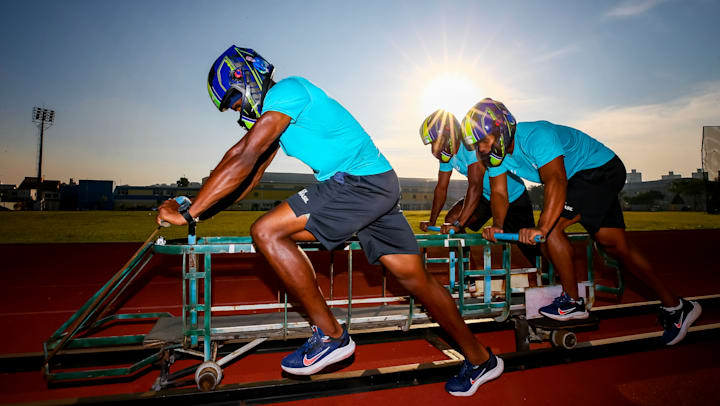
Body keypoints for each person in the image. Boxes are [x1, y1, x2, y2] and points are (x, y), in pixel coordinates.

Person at [156, 45, 503, 396]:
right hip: (376, 185)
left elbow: (243, 154)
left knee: (267, 231)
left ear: (245, 77)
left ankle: (332, 335)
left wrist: (189, 212)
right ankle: (481, 359)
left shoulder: (286, 91)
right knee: (417, 280)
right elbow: (251, 175)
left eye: (233, 99)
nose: (235, 108)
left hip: (357, 183)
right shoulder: (279, 117)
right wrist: (203, 207)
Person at [465, 98, 701, 345]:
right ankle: (677, 306)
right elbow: (500, 194)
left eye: (483, 140)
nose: (481, 149)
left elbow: (556, 180)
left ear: (501, 129)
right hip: (583, 179)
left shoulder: (536, 135)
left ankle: (572, 302)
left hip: (598, 170)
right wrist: (499, 227)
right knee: (615, 246)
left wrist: (544, 227)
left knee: (552, 231)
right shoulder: (496, 156)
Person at [418, 109, 540, 266]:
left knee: (528, 246)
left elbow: (474, 187)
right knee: (451, 220)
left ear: (450, 135)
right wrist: (432, 221)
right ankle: (469, 275)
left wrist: (459, 224)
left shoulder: (470, 148)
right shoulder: (446, 156)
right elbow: (441, 188)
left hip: (512, 197)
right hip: (486, 197)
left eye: (436, 142)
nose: (434, 149)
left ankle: (548, 276)